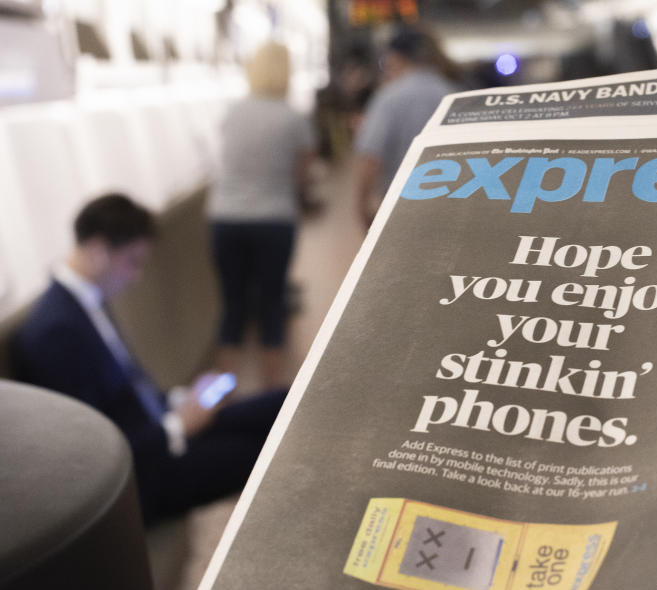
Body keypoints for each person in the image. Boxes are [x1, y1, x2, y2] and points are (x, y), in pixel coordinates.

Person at [12, 194, 286, 525]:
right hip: (145, 471)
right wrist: (178, 425)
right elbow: (90, 451)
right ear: (99, 250)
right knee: (270, 448)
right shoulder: (54, 331)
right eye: (133, 261)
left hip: (158, 430)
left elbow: (127, 388)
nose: (135, 276)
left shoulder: (83, 301)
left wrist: (182, 399)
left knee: (282, 405)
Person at [207, 41, 316, 387]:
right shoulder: (294, 118)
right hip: (274, 218)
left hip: (225, 217)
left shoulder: (233, 111)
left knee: (233, 305)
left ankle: (221, 398)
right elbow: (303, 176)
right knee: (272, 303)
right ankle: (271, 397)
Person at [353, 25, 460, 227]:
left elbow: (371, 158)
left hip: (399, 210)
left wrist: (363, 207)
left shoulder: (389, 98)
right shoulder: (453, 93)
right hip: (449, 206)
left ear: (396, 57)